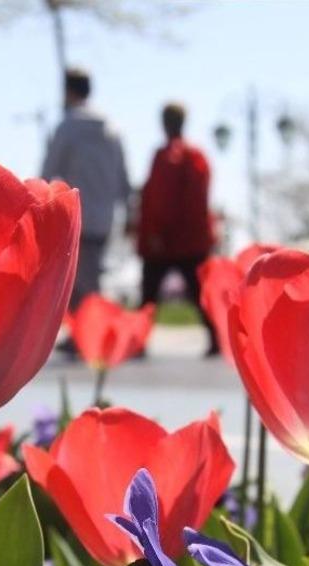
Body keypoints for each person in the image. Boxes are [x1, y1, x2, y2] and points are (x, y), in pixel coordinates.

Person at [42, 68, 131, 311]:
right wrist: (129, 215)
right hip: (104, 216)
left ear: (68, 91)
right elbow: (124, 180)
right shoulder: (112, 129)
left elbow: (47, 173)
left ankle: (88, 328)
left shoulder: (67, 127)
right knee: (90, 273)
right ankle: (87, 327)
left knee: (79, 277)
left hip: (76, 215)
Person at [136, 102, 219, 356]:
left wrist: (155, 233)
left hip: (163, 243)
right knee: (200, 294)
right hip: (193, 241)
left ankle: (136, 340)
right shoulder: (198, 157)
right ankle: (218, 338)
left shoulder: (166, 157)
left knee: (149, 297)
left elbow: (160, 199)